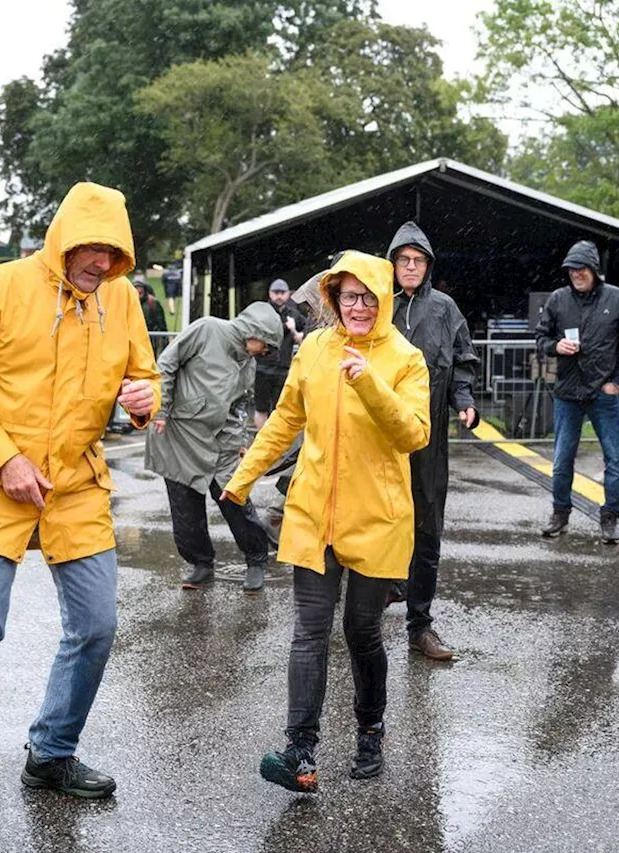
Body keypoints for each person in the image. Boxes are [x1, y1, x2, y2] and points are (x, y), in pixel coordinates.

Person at [0, 182, 160, 843]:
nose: (102, 263)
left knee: (98, 626)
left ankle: (51, 753)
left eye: (114, 252)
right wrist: (6, 460)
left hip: (77, 485)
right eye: (92, 249)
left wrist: (146, 400)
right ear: (64, 239)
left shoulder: (120, 298)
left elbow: (145, 386)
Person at [222, 250, 430, 792]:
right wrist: (243, 478)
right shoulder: (314, 347)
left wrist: (368, 381)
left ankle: (370, 728)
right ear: (334, 300)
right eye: (347, 297)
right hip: (315, 512)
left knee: (361, 632)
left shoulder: (406, 358)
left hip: (378, 518)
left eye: (367, 297)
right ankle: (300, 750)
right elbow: (287, 418)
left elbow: (413, 434)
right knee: (308, 633)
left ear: (384, 299)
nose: (357, 307)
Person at [384, 221, 479, 662]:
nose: (410, 266)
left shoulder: (444, 308)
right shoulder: (377, 304)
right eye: (403, 259)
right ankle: (366, 605)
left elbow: (463, 357)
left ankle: (419, 625)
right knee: (374, 518)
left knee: (427, 526)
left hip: (429, 430)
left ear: (427, 265)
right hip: (380, 431)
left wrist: (465, 400)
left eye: (417, 260)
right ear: (392, 263)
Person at [145, 302, 281, 593]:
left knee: (234, 496)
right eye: (265, 345)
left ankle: (256, 559)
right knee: (184, 505)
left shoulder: (248, 361)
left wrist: (240, 443)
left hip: (221, 439)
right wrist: (161, 409)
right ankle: (201, 564)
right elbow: (167, 364)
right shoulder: (207, 329)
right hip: (180, 432)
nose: (264, 352)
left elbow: (241, 403)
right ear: (254, 332)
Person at [532, 240, 619, 544]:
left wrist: (617, 381)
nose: (576, 274)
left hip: (604, 392)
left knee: (615, 459)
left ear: (594, 269)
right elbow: (540, 338)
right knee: (562, 458)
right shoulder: (558, 299)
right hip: (567, 392)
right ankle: (560, 514)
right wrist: (555, 346)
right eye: (571, 269)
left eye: (581, 268)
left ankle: (610, 518)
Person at [254, 278, 306, 429]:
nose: (279, 296)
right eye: (276, 292)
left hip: (283, 369)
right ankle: (261, 444)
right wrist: (284, 327)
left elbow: (308, 333)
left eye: (282, 293)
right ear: (270, 294)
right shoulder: (262, 312)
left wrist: (295, 331)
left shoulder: (294, 315)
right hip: (262, 368)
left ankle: (276, 448)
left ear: (288, 295)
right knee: (260, 408)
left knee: (280, 410)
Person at [133, 272, 169, 354]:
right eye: (136, 287)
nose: (138, 290)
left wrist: (164, 343)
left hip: (150, 341)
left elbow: (162, 325)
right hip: (134, 340)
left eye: (140, 287)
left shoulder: (153, 302)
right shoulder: (128, 302)